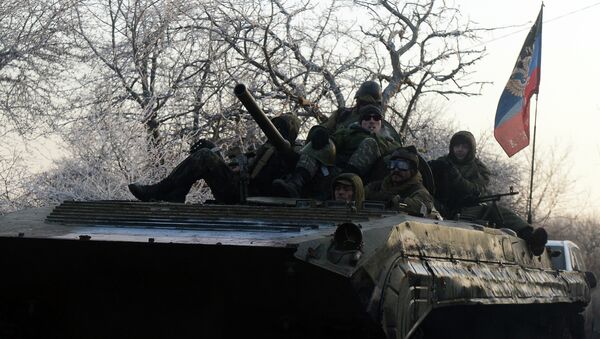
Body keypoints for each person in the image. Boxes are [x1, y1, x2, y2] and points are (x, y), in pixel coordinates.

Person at [128, 114, 301, 204]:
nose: (274, 129)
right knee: (207, 151)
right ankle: (174, 194)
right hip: (238, 188)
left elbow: (287, 178)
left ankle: (160, 190)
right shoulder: (266, 149)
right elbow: (243, 169)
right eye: (274, 126)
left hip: (246, 195)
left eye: (281, 127)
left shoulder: (292, 153)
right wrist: (217, 153)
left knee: (205, 156)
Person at [429, 130, 548, 255]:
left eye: (464, 147)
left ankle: (530, 236)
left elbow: (475, 189)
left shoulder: (479, 169)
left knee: (494, 210)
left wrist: (455, 176)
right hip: (438, 205)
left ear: (471, 149)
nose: (460, 149)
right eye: (457, 146)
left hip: (466, 209)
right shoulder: (442, 162)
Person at [272, 104, 401, 198]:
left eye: (376, 117)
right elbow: (334, 140)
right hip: (335, 169)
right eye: (367, 117)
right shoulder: (350, 132)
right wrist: (321, 135)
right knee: (322, 143)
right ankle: (296, 182)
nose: (371, 120)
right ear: (361, 122)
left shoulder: (389, 141)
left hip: (361, 178)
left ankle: (343, 183)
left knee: (370, 143)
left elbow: (397, 154)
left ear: (381, 122)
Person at [365, 149, 434, 216]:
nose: (396, 169)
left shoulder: (420, 192)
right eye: (393, 165)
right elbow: (361, 194)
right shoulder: (378, 186)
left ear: (412, 170)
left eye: (402, 165)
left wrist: (395, 201)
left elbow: (422, 208)